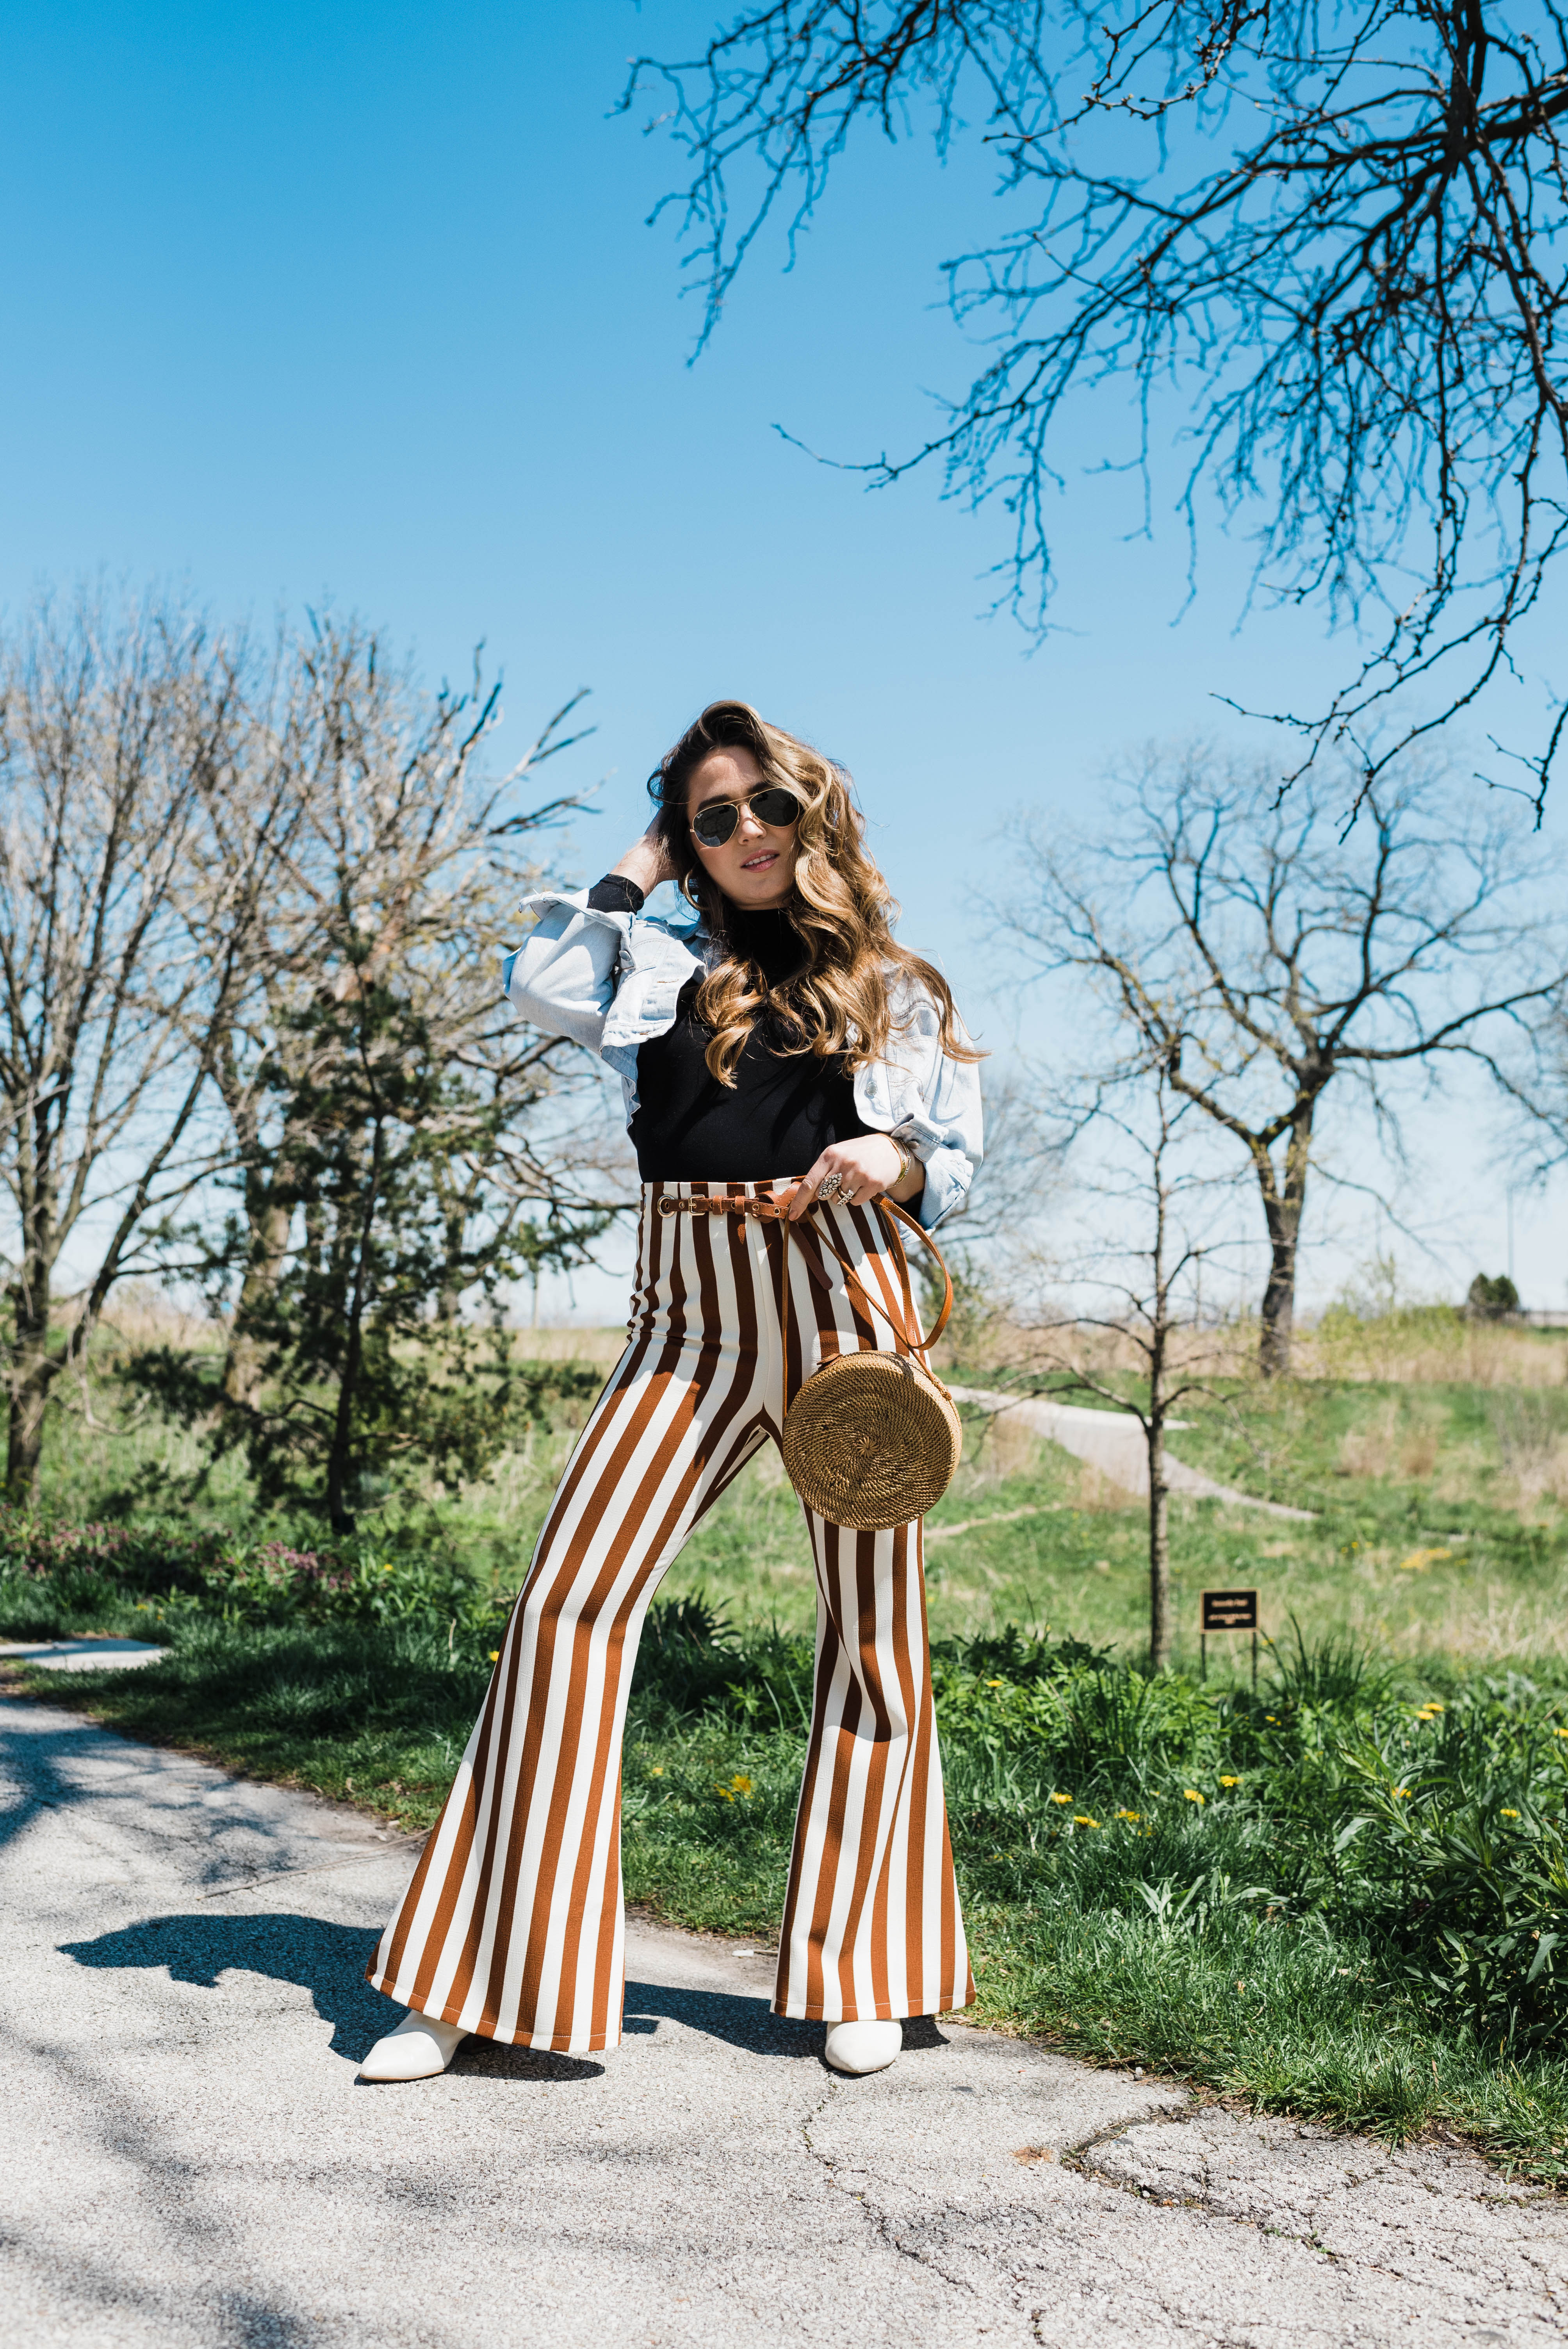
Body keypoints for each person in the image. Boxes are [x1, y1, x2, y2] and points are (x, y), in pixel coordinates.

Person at [359, 699, 984, 2082]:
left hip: (846, 1294)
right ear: (686, 839)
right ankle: (480, 1979)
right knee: (567, 1601)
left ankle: (863, 1967)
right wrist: (634, 869)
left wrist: (893, 1165)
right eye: (714, 816)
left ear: (811, 813)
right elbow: (538, 991)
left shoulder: (886, 978)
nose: (748, 831)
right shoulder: (651, 956)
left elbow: (938, 1148)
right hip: (689, 1306)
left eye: (766, 806)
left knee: (875, 1631)